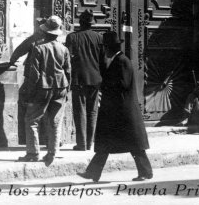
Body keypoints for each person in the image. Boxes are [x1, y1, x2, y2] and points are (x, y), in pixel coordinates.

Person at [78, 31, 152, 183]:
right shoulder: (115, 60)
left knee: (134, 144)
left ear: (110, 47)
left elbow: (123, 84)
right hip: (116, 110)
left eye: (105, 47)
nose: (104, 50)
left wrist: (103, 85)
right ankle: (93, 173)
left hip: (123, 110)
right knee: (106, 144)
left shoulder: (122, 61)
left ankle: (145, 172)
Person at [17, 15, 71, 166]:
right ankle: (53, 152)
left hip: (42, 88)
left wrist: (29, 92)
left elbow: (34, 74)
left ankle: (33, 153)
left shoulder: (38, 49)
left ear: (46, 32)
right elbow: (68, 71)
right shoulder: (64, 49)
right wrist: (67, 89)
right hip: (61, 87)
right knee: (55, 120)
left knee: (32, 120)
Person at [64, 10, 103, 151]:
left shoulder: (72, 37)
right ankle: (89, 142)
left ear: (80, 23)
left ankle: (81, 144)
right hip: (95, 79)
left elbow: (67, 59)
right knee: (92, 111)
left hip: (78, 78)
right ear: (92, 24)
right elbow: (103, 60)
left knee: (79, 110)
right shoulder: (99, 38)